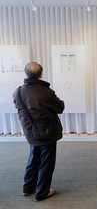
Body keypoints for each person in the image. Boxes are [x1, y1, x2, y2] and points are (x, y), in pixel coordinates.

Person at [13, 62, 65, 202]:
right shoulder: (46, 92)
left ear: (26, 74)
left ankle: (27, 188)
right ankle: (42, 193)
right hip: (47, 132)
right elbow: (60, 107)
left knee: (33, 159)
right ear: (41, 74)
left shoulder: (18, 91)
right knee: (46, 162)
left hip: (30, 132)